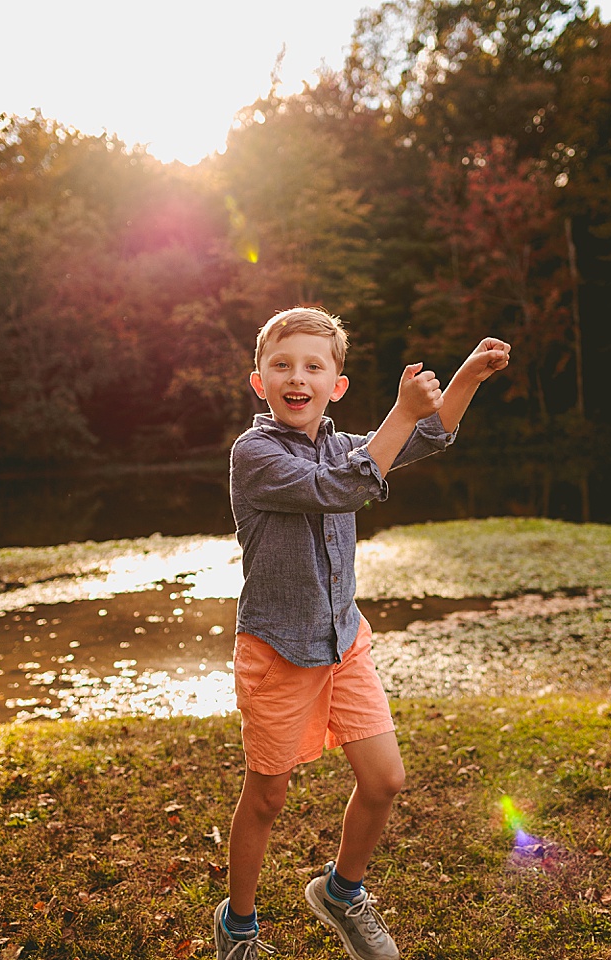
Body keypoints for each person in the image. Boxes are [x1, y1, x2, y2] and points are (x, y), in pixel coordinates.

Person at [215, 307, 511, 960]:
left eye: (314, 366)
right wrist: (399, 414)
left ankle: (342, 893)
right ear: (258, 382)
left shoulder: (349, 444)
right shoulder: (254, 453)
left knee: (384, 780)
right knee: (267, 797)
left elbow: (427, 436)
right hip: (278, 653)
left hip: (345, 644)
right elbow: (339, 490)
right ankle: (238, 930)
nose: (298, 377)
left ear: (336, 385)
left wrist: (466, 376)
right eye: (282, 365)